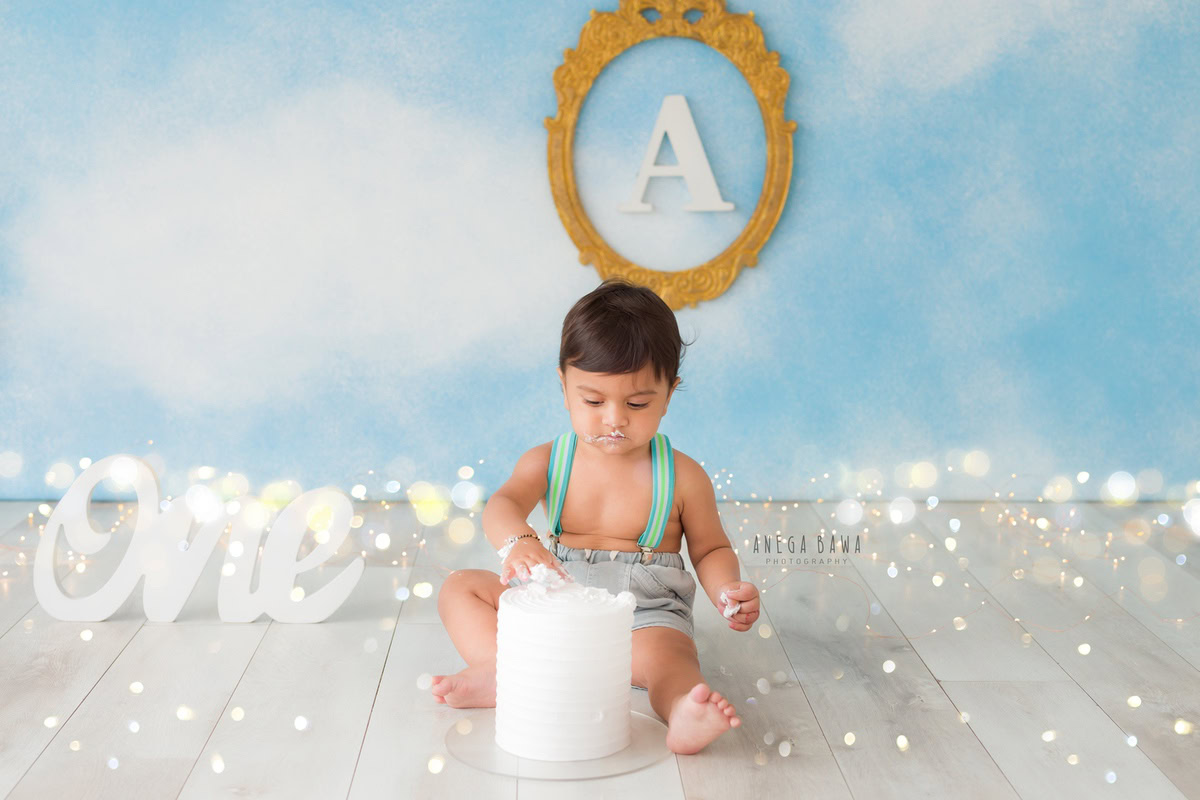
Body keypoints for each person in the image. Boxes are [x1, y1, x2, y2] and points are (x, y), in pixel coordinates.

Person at [431, 278, 760, 755]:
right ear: (564, 388)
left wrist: (728, 588)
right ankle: (504, 671)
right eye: (593, 401)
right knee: (460, 587)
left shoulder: (683, 476)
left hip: (641, 616)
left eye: (637, 403)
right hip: (553, 600)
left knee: (671, 660)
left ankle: (685, 710)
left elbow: (710, 548)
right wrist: (519, 542)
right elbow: (502, 505)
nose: (614, 419)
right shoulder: (548, 460)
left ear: (669, 393)